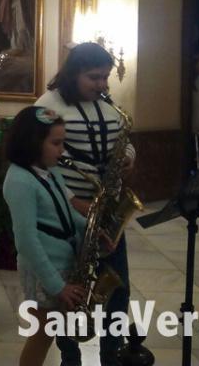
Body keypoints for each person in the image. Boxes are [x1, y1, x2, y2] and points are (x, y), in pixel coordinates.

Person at [34, 42, 136, 366]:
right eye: (94, 77)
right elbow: (34, 165)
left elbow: (126, 144)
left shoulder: (109, 106)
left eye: (105, 77)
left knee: (119, 289)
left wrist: (129, 156)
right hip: (68, 213)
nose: (102, 84)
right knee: (72, 289)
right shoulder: (47, 106)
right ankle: (70, 355)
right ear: (73, 73)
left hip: (105, 213)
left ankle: (111, 354)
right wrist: (72, 201)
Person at [2, 106, 87, 366]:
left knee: (50, 330)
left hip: (61, 263)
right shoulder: (19, 181)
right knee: (42, 334)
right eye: (56, 143)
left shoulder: (52, 172)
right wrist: (56, 285)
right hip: (43, 272)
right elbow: (26, 240)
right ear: (33, 142)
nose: (62, 150)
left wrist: (91, 229)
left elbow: (67, 212)